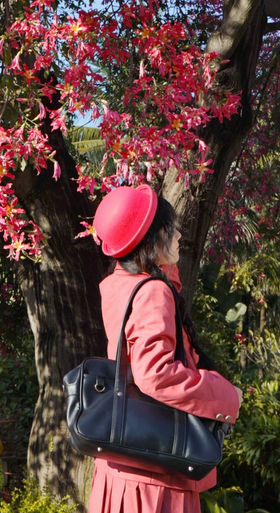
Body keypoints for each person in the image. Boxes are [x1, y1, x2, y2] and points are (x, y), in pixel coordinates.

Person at [88, 184, 243, 513]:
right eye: (170, 228)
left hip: (127, 468)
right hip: (155, 479)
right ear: (152, 238)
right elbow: (155, 374)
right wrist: (227, 395)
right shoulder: (151, 291)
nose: (179, 235)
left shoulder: (120, 283)